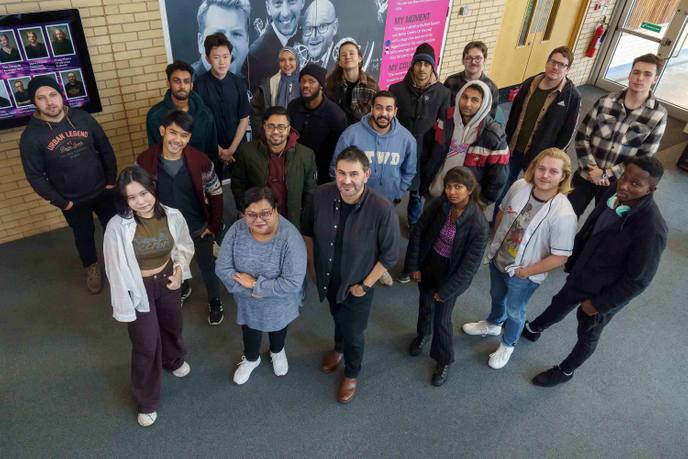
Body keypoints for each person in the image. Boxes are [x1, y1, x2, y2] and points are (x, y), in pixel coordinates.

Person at [522, 156, 667, 387]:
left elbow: (638, 281)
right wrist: (574, 258)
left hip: (605, 292)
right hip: (584, 270)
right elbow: (591, 227)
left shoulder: (652, 229)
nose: (624, 186)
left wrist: (598, 304)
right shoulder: (613, 193)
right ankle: (534, 328)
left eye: (635, 184)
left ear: (651, 189)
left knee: (588, 332)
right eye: (624, 178)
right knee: (560, 302)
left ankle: (566, 371)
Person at [462, 148, 577, 369]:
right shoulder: (519, 187)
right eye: (541, 168)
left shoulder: (564, 215)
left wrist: (526, 272)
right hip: (499, 259)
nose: (545, 175)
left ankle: (508, 343)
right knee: (496, 296)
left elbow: (561, 257)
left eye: (553, 171)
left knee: (515, 311)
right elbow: (502, 212)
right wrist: (495, 240)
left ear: (563, 176)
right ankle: (494, 323)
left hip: (524, 273)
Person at [301, 146, 400, 403]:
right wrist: (312, 265)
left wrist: (365, 285)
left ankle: (352, 372)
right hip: (327, 276)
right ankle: (338, 348)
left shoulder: (382, 209)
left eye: (354, 174)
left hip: (358, 284)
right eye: (341, 173)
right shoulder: (321, 195)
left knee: (354, 332)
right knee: (336, 316)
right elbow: (307, 230)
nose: (346, 180)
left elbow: (390, 256)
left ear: (366, 175)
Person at [103, 166, 194, 427]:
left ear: (153, 188)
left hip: (167, 280)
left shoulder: (172, 215)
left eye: (144, 193)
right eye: (132, 197)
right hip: (138, 286)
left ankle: (173, 359)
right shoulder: (117, 227)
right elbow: (114, 267)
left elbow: (183, 246)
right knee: (146, 343)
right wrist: (124, 303)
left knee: (172, 325)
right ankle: (146, 401)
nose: (140, 202)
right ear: (124, 199)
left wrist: (178, 272)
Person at [19, 76, 117, 294]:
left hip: (102, 190)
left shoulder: (83, 118)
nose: (49, 102)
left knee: (116, 229)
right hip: (73, 200)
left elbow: (106, 149)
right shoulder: (31, 137)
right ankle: (92, 267)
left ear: (60, 94)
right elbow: (35, 176)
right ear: (35, 102)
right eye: (41, 98)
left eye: (53, 94)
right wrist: (63, 203)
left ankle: (124, 261)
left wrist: (111, 181)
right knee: (83, 236)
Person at [137, 110, 225, 325]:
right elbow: (138, 196)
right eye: (173, 133)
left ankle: (215, 300)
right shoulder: (144, 161)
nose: (177, 140)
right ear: (162, 131)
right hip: (164, 230)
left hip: (198, 227)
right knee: (173, 264)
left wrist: (213, 225)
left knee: (207, 266)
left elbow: (216, 192)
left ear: (189, 138)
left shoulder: (201, 161)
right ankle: (184, 287)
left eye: (184, 135)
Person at [404, 167, 489, 386]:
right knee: (425, 304)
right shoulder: (439, 204)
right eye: (449, 186)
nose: (452, 192)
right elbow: (418, 233)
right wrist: (414, 266)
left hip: (452, 275)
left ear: (470, 190)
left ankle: (444, 359)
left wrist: (447, 291)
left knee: (442, 320)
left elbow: (469, 267)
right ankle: (423, 334)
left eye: (458, 187)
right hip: (430, 262)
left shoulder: (478, 224)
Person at [216, 187, 307, 385]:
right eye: (251, 214)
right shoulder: (237, 230)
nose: (258, 220)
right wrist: (250, 290)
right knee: (250, 331)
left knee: (278, 328)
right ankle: (251, 359)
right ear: (243, 213)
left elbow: (292, 283)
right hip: (248, 301)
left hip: (280, 302)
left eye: (265, 213)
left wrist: (257, 285)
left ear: (276, 210)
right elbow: (222, 267)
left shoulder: (290, 237)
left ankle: (277, 351)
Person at [567, 54, 667, 218]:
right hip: (587, 173)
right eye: (636, 72)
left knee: (600, 225)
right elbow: (582, 136)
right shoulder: (606, 101)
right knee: (566, 216)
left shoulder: (658, 115)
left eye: (647, 74)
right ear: (629, 74)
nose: (639, 78)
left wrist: (607, 173)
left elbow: (645, 157)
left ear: (655, 79)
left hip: (619, 183)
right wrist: (592, 169)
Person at [492, 46, 581, 225]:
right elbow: (514, 114)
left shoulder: (572, 96)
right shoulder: (530, 83)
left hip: (540, 157)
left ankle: (521, 229)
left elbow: (567, 133)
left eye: (561, 65)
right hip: (514, 147)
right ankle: (495, 223)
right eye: (553, 62)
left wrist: (553, 159)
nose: (555, 67)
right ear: (547, 62)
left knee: (534, 194)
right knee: (504, 188)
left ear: (568, 69)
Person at [389, 43, 451, 231]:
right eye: (418, 63)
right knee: (393, 187)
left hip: (425, 150)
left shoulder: (443, 93)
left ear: (432, 67)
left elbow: (444, 125)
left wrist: (437, 153)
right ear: (412, 65)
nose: (422, 68)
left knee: (418, 192)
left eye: (426, 64)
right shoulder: (396, 89)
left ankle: (413, 221)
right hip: (398, 149)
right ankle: (385, 218)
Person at [420, 81, 509, 205]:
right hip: (436, 192)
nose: (467, 104)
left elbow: (498, 178)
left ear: (483, 104)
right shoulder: (445, 118)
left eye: (474, 100)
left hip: (465, 203)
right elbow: (427, 149)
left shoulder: (494, 136)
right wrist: (425, 182)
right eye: (464, 97)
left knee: (452, 225)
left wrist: (482, 201)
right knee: (428, 223)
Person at [232, 106, 317, 228]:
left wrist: (305, 222)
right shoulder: (247, 151)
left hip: (291, 222)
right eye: (271, 126)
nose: (276, 132)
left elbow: (310, 192)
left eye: (281, 127)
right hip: (259, 221)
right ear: (264, 127)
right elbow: (238, 184)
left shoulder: (306, 155)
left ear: (289, 129)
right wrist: (244, 209)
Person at [193, 32, 250, 180]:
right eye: (216, 57)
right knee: (211, 189)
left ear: (231, 57)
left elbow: (244, 120)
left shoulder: (239, 83)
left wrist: (230, 151)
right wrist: (219, 151)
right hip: (211, 148)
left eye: (225, 56)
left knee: (242, 187)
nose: (222, 62)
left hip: (236, 146)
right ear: (208, 59)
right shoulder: (199, 86)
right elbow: (200, 123)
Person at [146, 60, 218, 161]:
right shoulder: (155, 115)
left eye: (186, 81)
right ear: (168, 83)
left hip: (200, 172)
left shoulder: (205, 114)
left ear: (191, 85)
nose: (182, 86)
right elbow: (155, 154)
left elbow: (212, 152)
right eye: (176, 81)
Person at [287, 64, 347, 185]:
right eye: (303, 81)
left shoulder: (335, 114)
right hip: (296, 171)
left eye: (311, 81)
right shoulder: (293, 106)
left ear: (321, 86)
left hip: (323, 177)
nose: (306, 85)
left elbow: (342, 152)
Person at [247, 0, 304, 91]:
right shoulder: (255, 56)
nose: (285, 13)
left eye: (291, 1)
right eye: (278, 3)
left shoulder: (313, 27)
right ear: (268, 8)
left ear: (303, 2)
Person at [249, 47, 301, 139]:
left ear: (297, 60)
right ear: (278, 62)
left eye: (291, 59)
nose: (287, 64)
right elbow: (254, 108)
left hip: (299, 137)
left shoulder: (304, 83)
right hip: (274, 136)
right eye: (282, 60)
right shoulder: (269, 83)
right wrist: (262, 131)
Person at [324, 41, 379, 126]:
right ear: (339, 62)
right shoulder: (330, 84)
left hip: (360, 134)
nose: (347, 57)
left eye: (351, 53)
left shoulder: (371, 86)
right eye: (343, 55)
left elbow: (376, 116)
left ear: (360, 58)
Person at [191, 0, 250, 79]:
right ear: (201, 42)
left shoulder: (253, 85)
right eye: (218, 34)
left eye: (236, 34)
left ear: (247, 42)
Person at [443, 41, 499, 117]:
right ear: (463, 61)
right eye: (469, 58)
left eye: (478, 58)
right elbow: (444, 111)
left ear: (484, 61)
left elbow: (490, 118)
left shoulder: (491, 88)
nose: (473, 62)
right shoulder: (451, 82)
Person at [301, 0, 338, 67]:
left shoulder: (344, 63)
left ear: (335, 27)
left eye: (322, 26)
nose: (314, 36)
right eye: (309, 28)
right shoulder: (297, 62)